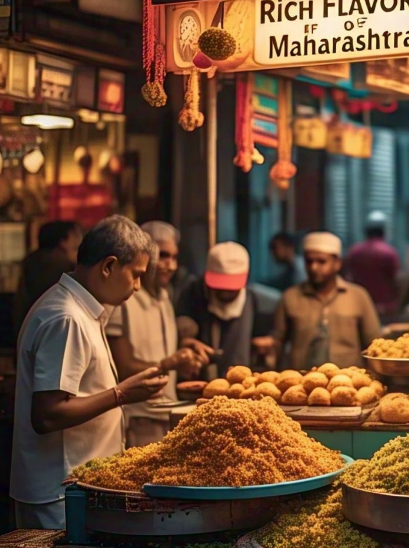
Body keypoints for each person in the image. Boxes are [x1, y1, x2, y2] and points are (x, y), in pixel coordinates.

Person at [10, 216, 169, 529]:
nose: (138, 287)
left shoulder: (82, 311)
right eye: (135, 275)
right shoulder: (66, 318)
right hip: (60, 496)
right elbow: (47, 414)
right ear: (108, 266)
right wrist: (122, 394)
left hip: (74, 489)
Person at [107, 221, 211, 447]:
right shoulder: (122, 298)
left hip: (168, 414)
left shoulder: (164, 295)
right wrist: (168, 364)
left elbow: (159, 345)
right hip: (138, 419)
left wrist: (186, 346)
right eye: (163, 256)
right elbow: (120, 366)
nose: (171, 265)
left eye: (174, 257)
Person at [269, 232, 380, 370]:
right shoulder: (290, 297)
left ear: (337, 263)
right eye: (309, 261)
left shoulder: (358, 296)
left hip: (349, 384)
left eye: (321, 261)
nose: (314, 267)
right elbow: (276, 345)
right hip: (303, 384)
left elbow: (374, 345)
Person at [176, 242, 254, 374]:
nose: (225, 292)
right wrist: (184, 341)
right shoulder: (192, 294)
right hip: (198, 378)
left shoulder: (251, 300)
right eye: (220, 286)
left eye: (231, 288)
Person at [13, 221, 83, 339]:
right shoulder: (57, 264)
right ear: (62, 241)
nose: (78, 240)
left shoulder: (34, 261)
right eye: (74, 236)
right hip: (51, 333)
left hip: (29, 331)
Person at [345, 212, 400, 316]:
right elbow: (395, 281)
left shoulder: (354, 252)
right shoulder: (389, 252)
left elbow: (348, 279)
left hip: (358, 306)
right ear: (383, 231)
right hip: (384, 308)